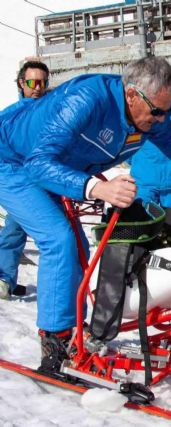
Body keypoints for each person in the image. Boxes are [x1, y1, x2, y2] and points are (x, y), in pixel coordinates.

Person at [0, 57, 171, 374]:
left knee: (77, 246)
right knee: (58, 238)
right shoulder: (86, 100)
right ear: (131, 95)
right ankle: (55, 340)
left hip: (57, 164)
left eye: (167, 112)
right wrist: (94, 187)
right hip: (13, 162)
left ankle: (73, 326)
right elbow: (37, 162)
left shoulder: (149, 116)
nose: (161, 120)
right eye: (157, 112)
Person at [0, 61, 50, 300]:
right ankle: (4, 279)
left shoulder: (54, 112)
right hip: (21, 184)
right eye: (32, 82)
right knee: (13, 230)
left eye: (43, 82)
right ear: (22, 83)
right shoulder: (11, 116)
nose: (38, 87)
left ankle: (64, 287)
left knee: (60, 237)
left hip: (50, 181)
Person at [130, 95, 171, 211]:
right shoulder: (142, 106)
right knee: (143, 226)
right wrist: (139, 164)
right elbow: (129, 144)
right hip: (144, 184)